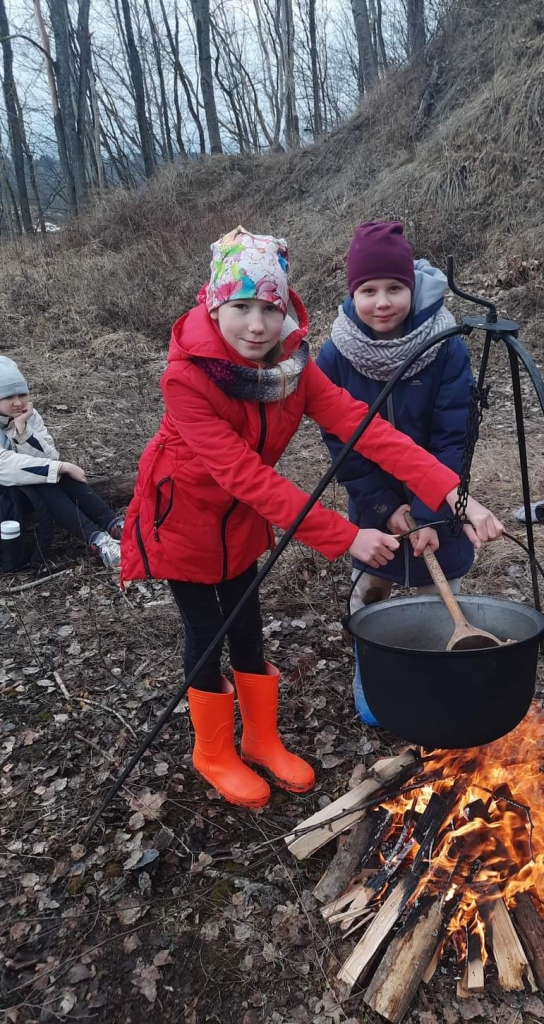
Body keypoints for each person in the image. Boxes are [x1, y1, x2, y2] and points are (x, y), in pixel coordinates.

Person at [120, 227, 503, 810]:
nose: (255, 325)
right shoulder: (186, 378)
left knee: (247, 624)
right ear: (213, 305)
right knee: (207, 634)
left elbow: (369, 429)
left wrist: (457, 499)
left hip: (241, 519)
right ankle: (214, 752)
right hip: (183, 518)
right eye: (239, 308)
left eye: (268, 309)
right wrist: (346, 536)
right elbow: (244, 474)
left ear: (285, 310)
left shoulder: (295, 367)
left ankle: (262, 738)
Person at [316, 221, 475, 725]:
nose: (381, 302)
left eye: (394, 288)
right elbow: (341, 443)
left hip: (438, 495)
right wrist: (384, 507)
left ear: (411, 287)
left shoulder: (445, 345)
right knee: (370, 590)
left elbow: (454, 436)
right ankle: (375, 675)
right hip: (373, 499)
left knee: (435, 591)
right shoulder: (335, 354)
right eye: (368, 290)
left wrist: (429, 512)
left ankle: (437, 678)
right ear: (352, 293)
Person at [0, 356, 123, 569]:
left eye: (22, 394)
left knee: (53, 474)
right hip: (5, 499)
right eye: (9, 396)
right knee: (44, 479)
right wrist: (61, 467)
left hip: (22, 487)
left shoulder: (28, 415)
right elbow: (5, 465)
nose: (18, 402)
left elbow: (49, 457)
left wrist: (23, 430)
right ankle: (99, 542)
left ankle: (117, 526)